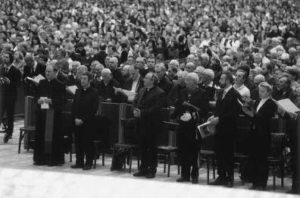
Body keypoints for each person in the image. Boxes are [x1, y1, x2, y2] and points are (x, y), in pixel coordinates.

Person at [172, 72, 209, 184]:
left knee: (194, 152)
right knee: (183, 150)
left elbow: (204, 111)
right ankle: (185, 174)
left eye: (187, 80)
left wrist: (192, 116)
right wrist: (178, 115)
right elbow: (178, 105)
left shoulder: (202, 93)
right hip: (183, 125)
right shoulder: (182, 91)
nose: (185, 82)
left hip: (194, 127)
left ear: (194, 82)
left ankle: (194, 175)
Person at [241, 82, 277, 190]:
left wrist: (252, 113)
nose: (260, 93)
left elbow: (264, 119)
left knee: (262, 159)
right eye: (259, 91)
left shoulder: (271, 103)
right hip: (254, 132)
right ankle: (255, 182)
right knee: (253, 158)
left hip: (263, 134)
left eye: (262, 91)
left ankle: (262, 183)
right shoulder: (258, 101)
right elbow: (253, 117)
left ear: (269, 92)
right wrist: (247, 111)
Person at [209, 71, 241, 187]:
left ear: (227, 80)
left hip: (229, 129)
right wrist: (214, 116)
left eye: (222, 79)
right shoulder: (221, 92)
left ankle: (229, 178)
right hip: (220, 128)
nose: (220, 81)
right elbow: (219, 109)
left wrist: (220, 118)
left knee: (228, 154)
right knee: (219, 153)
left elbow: (234, 113)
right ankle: (221, 176)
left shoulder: (235, 94)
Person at [133, 72, 164, 179]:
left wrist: (142, 113)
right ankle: (143, 168)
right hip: (141, 123)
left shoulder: (159, 92)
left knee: (151, 148)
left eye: (146, 78)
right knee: (142, 147)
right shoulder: (141, 90)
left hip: (151, 125)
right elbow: (136, 101)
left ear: (152, 80)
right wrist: (135, 110)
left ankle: (152, 170)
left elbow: (156, 109)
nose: (143, 79)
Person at [34, 62, 66, 166]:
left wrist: (51, 101)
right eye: (46, 71)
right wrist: (38, 101)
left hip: (54, 115)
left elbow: (62, 101)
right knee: (40, 135)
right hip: (42, 115)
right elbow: (36, 96)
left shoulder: (60, 84)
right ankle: (40, 158)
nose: (47, 73)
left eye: (49, 71)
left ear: (55, 72)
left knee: (54, 137)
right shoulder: (41, 82)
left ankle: (54, 159)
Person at [71, 72, 99, 170]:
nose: (82, 80)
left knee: (87, 143)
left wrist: (82, 120)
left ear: (89, 80)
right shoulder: (78, 91)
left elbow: (93, 109)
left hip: (88, 123)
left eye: (84, 79)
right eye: (81, 78)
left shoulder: (94, 92)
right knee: (78, 142)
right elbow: (74, 106)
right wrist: (75, 118)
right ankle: (79, 162)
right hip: (77, 121)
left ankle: (88, 162)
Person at [0, 51, 21, 143]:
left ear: (11, 59)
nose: (5, 58)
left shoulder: (15, 70)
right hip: (2, 95)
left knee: (10, 115)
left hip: (11, 96)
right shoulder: (1, 68)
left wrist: (10, 83)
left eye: (7, 57)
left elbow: (18, 84)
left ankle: (9, 132)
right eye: (4, 57)